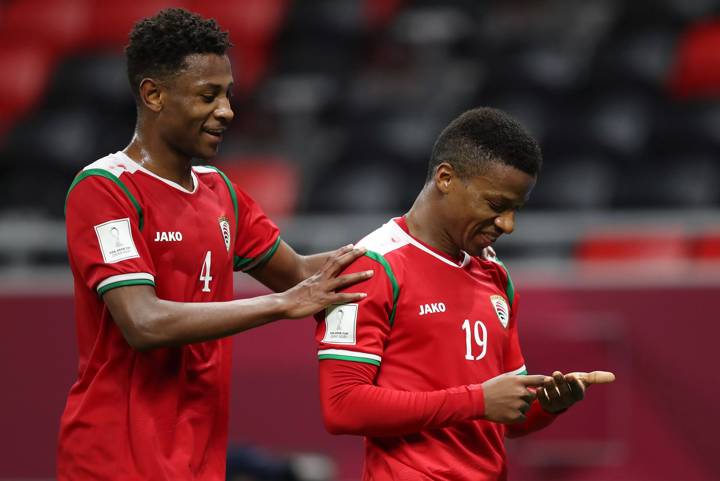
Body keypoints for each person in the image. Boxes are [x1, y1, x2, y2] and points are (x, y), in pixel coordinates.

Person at [58, 8, 373, 481]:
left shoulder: (219, 192)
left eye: (227, 95)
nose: (226, 111)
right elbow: (142, 322)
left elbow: (303, 275)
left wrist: (411, 244)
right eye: (209, 96)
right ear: (154, 94)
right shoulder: (104, 190)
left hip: (200, 459)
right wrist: (281, 305)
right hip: (115, 462)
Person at [315, 107, 615, 481]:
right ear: (445, 178)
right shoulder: (373, 266)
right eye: (495, 205)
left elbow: (506, 419)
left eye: (515, 210)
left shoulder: (495, 275)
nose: (508, 224)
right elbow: (342, 406)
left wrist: (547, 404)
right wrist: (479, 400)